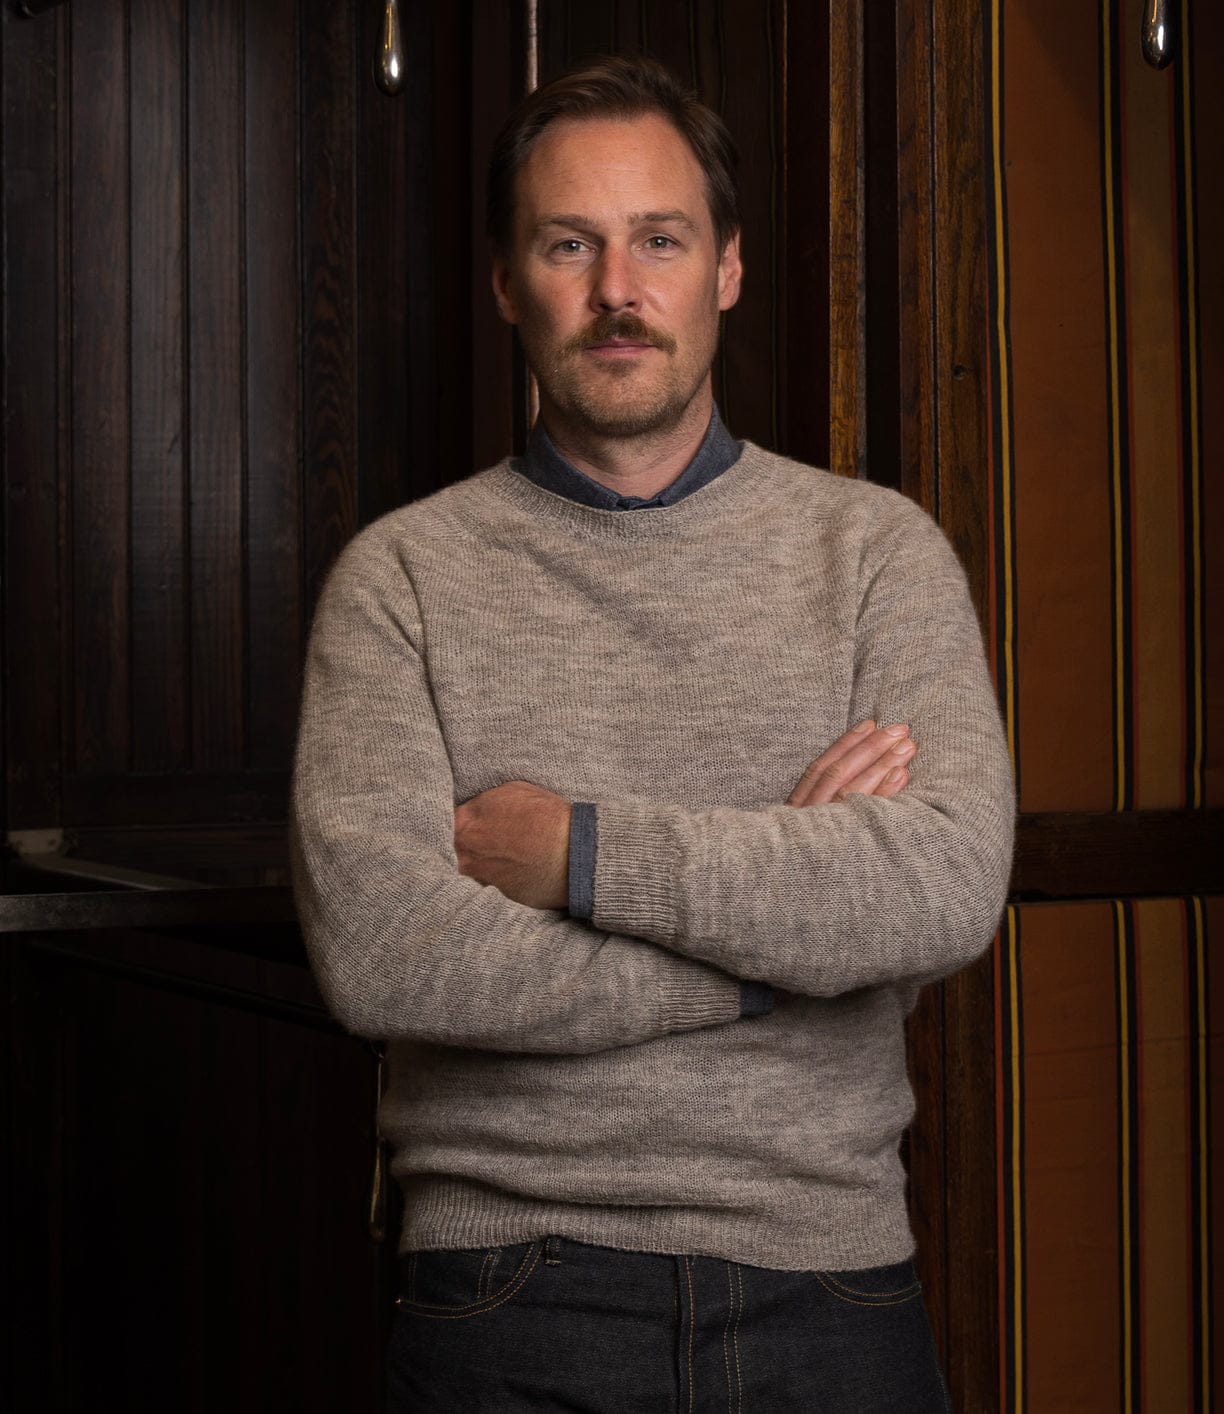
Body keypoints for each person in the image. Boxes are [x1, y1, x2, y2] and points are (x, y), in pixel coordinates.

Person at [291, 54, 1014, 1413]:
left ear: (727, 269)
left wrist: (579, 851)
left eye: (660, 240)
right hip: (509, 1290)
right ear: (510, 282)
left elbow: (940, 885)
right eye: (571, 243)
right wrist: (779, 952)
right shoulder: (402, 580)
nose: (619, 288)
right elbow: (386, 956)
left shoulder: (874, 555)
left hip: (834, 1290)